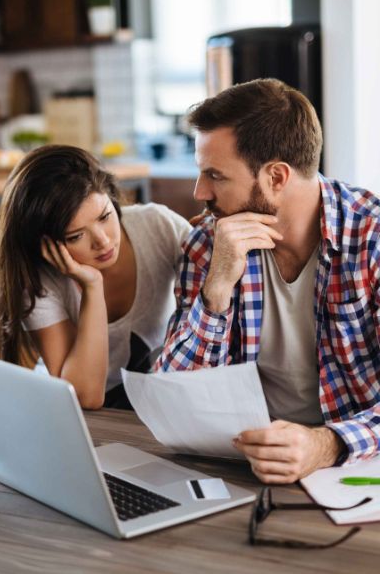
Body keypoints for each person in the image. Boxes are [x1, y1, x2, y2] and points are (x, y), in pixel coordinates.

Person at [156, 78, 380, 483]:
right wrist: (218, 287)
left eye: (215, 176)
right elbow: (172, 396)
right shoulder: (209, 243)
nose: (198, 191)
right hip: (245, 464)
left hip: (356, 467)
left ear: (276, 177)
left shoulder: (371, 239)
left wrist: (325, 444)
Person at [0, 145, 191, 409]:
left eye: (105, 216)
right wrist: (92, 286)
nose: (103, 241)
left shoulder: (158, 226)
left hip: (157, 406)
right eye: (76, 236)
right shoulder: (38, 280)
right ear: (45, 243)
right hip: (77, 416)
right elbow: (86, 396)